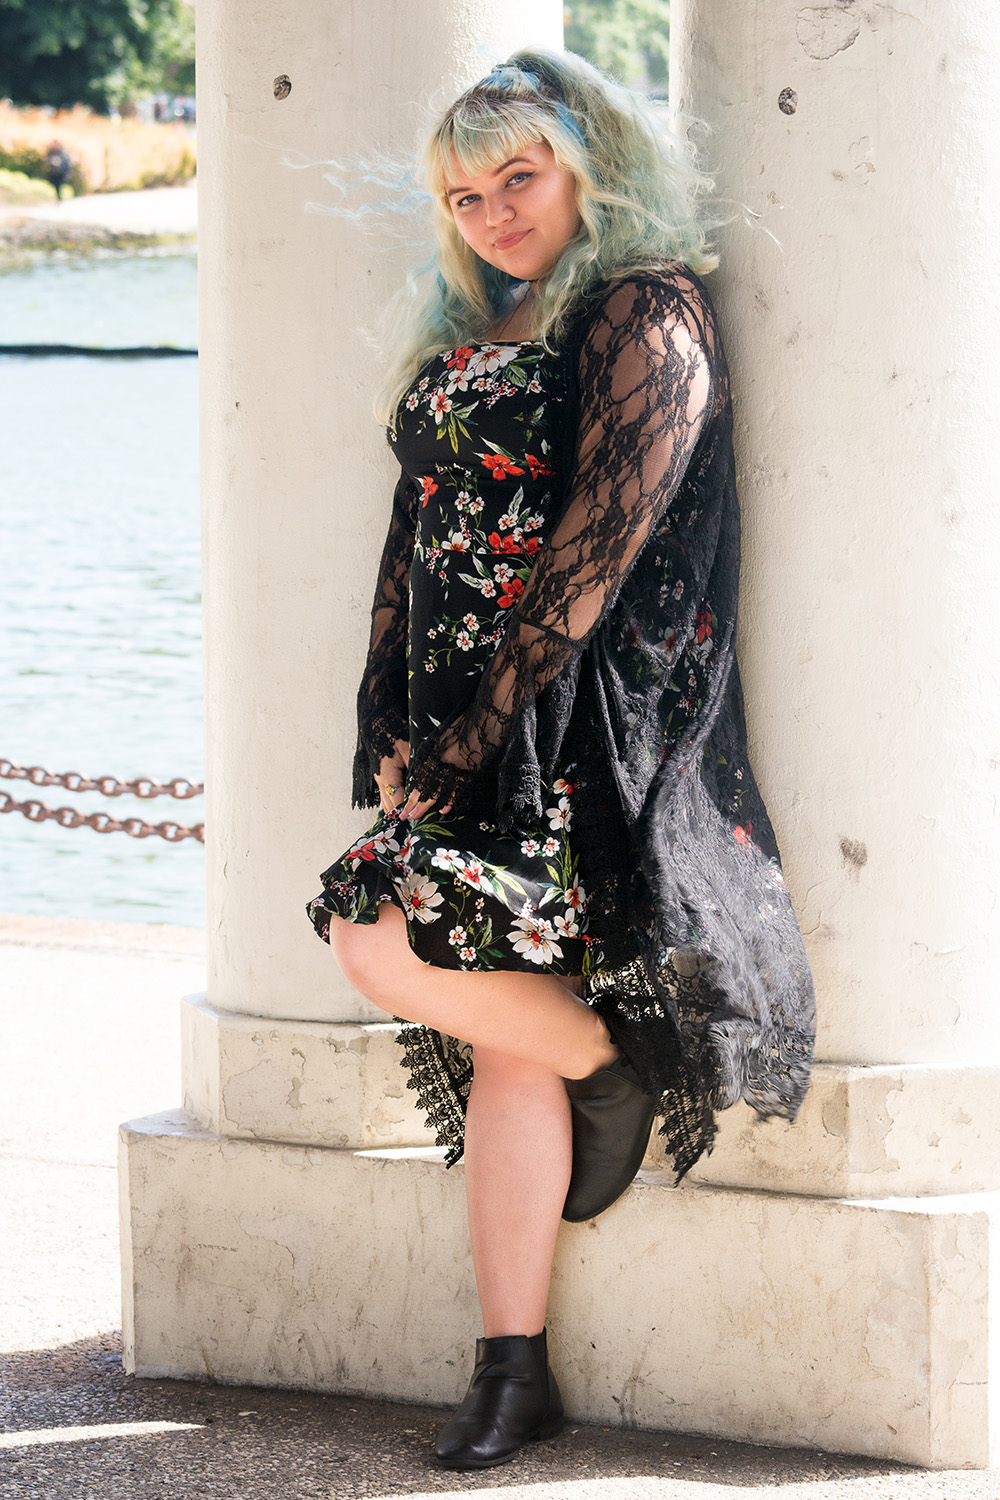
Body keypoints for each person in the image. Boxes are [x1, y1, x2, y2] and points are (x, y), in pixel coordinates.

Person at [306, 48, 816, 1472]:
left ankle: (606, 1062)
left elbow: (601, 555)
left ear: (593, 164)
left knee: (374, 935)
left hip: (563, 727)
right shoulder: (481, 319)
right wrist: (390, 715)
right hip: (455, 718)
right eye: (464, 197)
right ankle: (511, 1368)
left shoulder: (646, 310)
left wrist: (483, 736)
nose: (493, 216)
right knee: (494, 1028)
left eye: (519, 178)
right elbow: (415, 531)